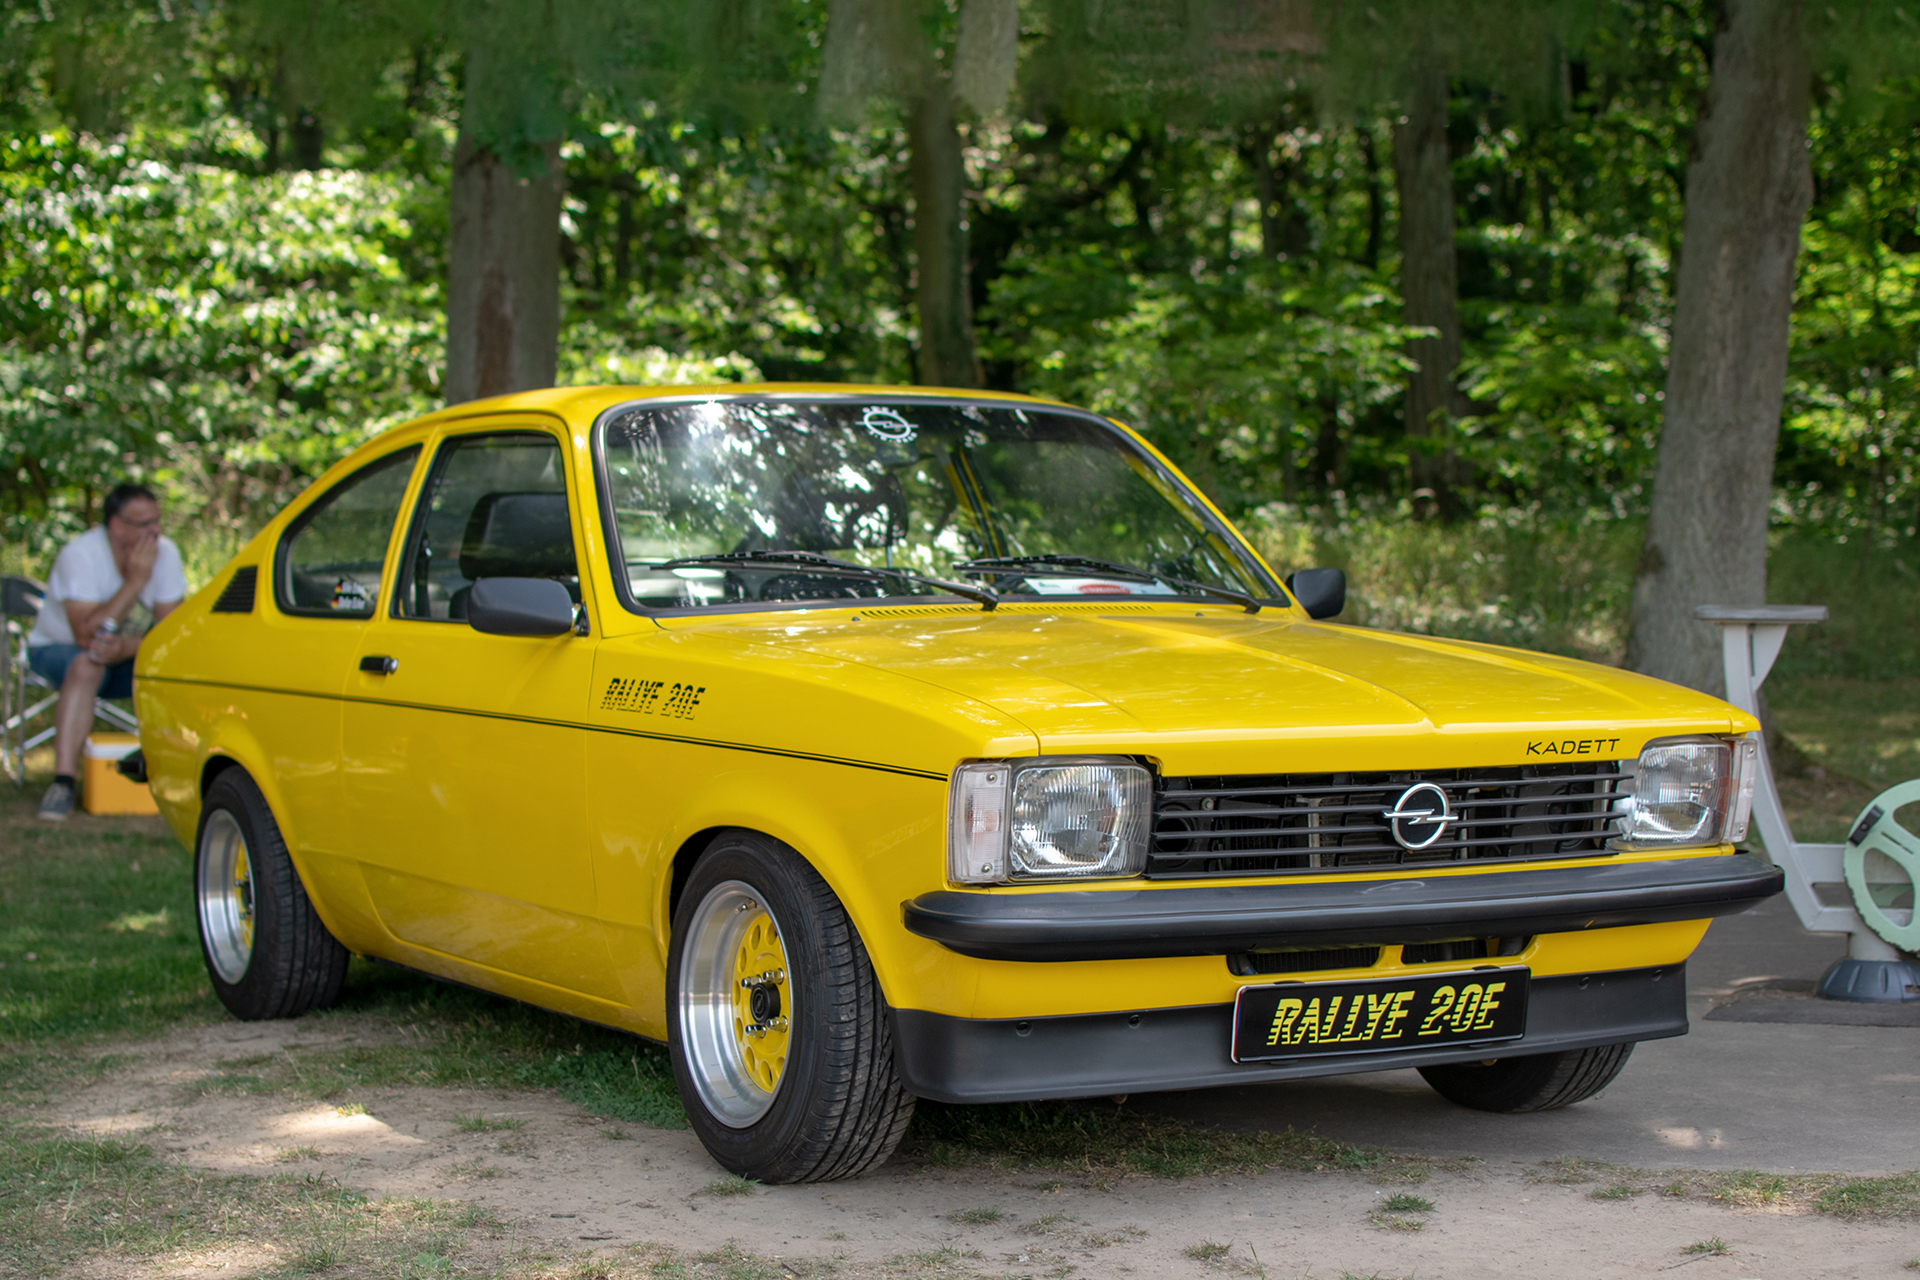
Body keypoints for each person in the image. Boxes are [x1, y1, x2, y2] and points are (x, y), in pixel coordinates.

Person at [29, 483, 187, 820]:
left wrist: (127, 647)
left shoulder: (167, 553)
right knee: (88, 664)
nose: (155, 531)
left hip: (127, 655)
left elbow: (171, 634)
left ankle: (176, 776)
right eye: (145, 524)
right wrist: (135, 582)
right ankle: (63, 782)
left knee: (182, 663)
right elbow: (86, 635)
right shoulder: (81, 555)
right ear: (117, 525)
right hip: (58, 652)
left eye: (158, 521)